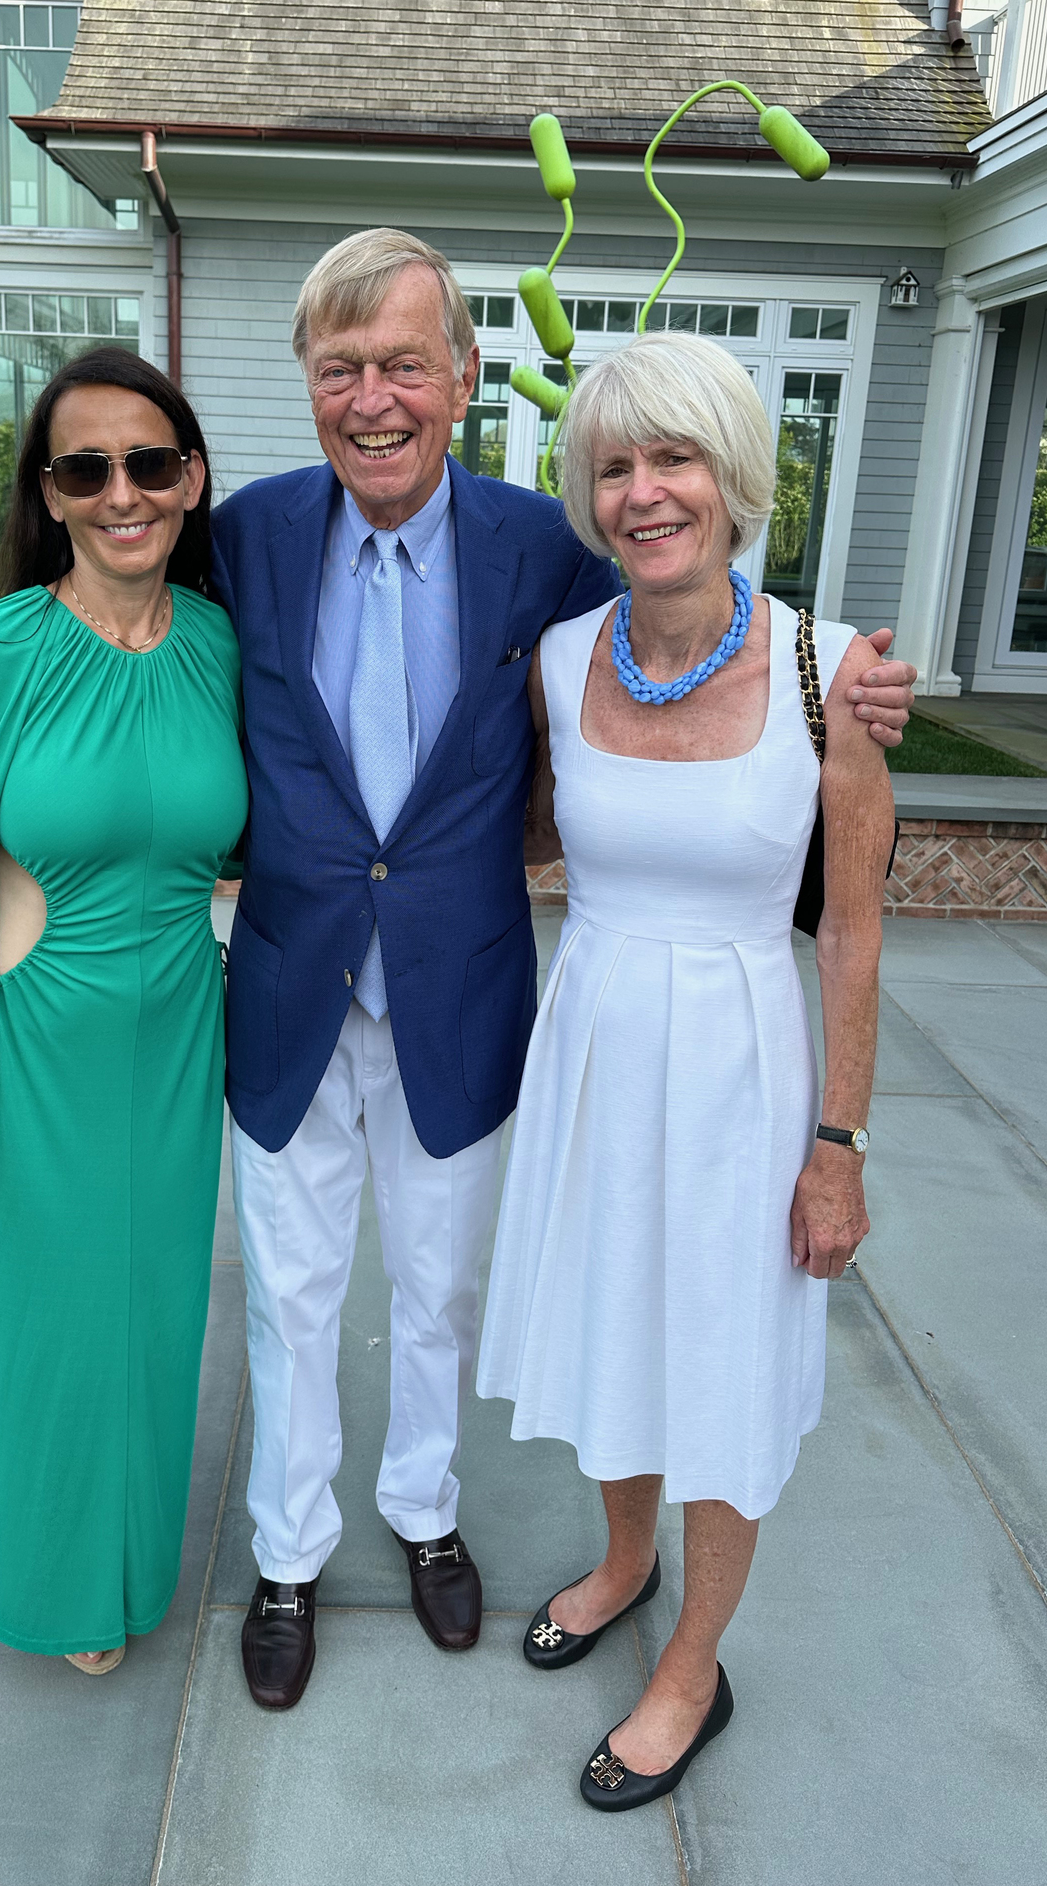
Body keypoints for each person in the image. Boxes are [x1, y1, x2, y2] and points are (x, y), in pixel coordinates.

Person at [209, 230, 916, 1711]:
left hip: (487, 1000)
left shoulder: (542, 550)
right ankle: (288, 1554)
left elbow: (832, 900)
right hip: (299, 984)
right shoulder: (251, 535)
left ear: (463, 381)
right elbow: (111, 604)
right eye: (341, 369)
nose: (376, 397)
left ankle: (425, 1517)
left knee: (443, 1289)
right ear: (308, 386)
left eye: (407, 362)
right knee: (292, 1291)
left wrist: (841, 1142)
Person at [476, 332, 896, 1809]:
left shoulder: (828, 671)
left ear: (735, 480)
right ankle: (626, 1558)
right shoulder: (557, 659)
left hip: (740, 1068)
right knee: (615, 1322)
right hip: (595, 1046)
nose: (645, 492)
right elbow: (524, 835)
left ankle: (693, 1666)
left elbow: (850, 927)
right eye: (615, 465)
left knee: (716, 1359)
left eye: (675, 460)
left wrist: (837, 1140)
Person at [0, 350, 247, 1674]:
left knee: (152, 1323)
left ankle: (135, 1565)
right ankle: (59, 1592)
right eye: (85, 469)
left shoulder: (214, 643)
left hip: (176, 1040)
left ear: (191, 478)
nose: (121, 493)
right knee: (47, 1330)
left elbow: (219, 835)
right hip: (32, 1044)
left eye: (148, 463)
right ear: (51, 493)